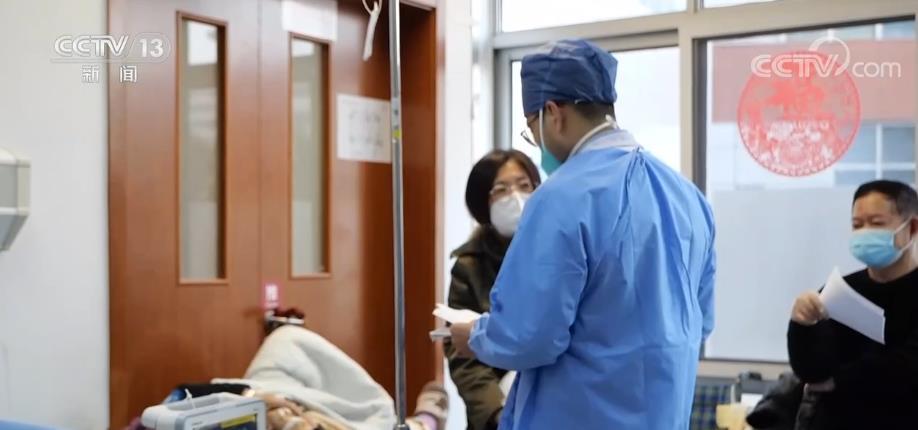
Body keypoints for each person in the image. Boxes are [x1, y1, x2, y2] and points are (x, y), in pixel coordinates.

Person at [449, 38, 716, 429]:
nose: (536, 141)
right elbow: (700, 321)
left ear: (553, 114)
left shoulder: (560, 198)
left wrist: (475, 335)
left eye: (531, 128)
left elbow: (529, 335)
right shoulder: (687, 197)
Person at [788, 180, 918, 429]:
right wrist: (801, 325)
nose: (864, 233)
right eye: (857, 225)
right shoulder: (840, 291)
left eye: (876, 223)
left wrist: (838, 380)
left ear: (911, 228)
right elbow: (811, 371)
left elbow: (907, 367)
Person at [444, 150, 542, 430]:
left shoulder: (557, 252)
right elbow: (462, 356)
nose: (515, 196)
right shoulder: (469, 266)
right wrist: (497, 413)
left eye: (524, 185)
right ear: (482, 202)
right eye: (501, 189)